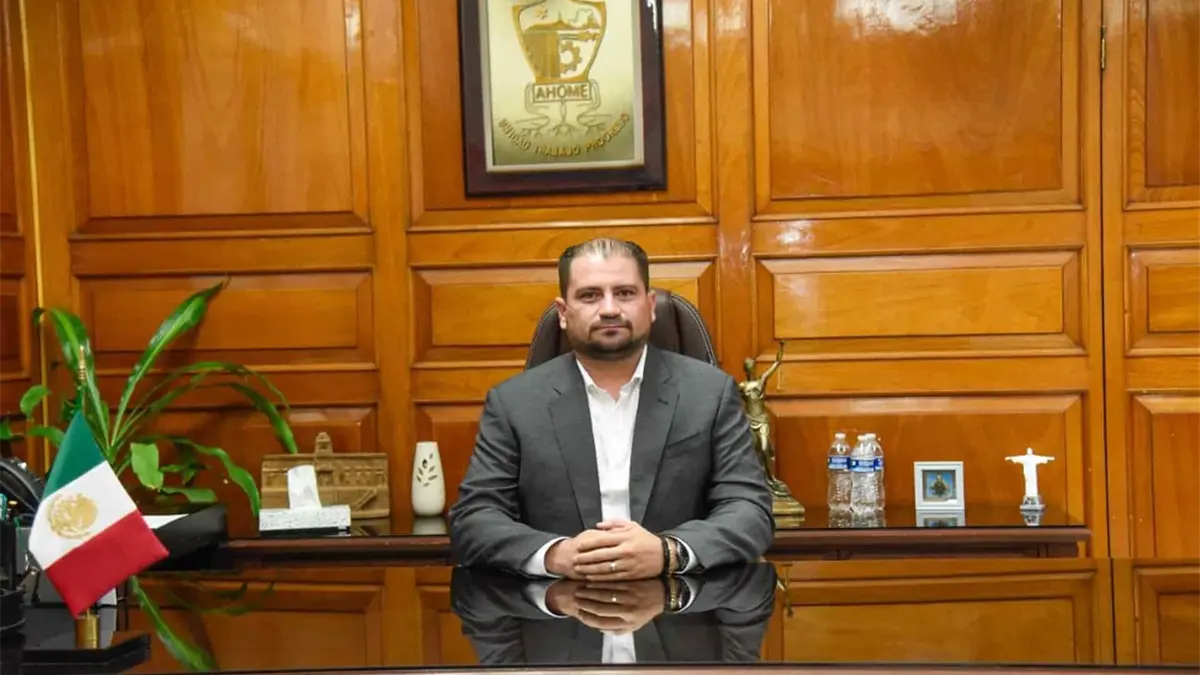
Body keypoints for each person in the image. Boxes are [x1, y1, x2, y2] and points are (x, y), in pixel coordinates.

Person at [448, 237, 774, 581]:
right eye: (590, 295)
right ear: (563, 313)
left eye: (625, 293)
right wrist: (556, 554)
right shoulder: (514, 403)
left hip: (681, 601)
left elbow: (749, 510)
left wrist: (669, 552)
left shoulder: (710, 393)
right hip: (556, 603)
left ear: (650, 306)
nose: (609, 309)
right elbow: (474, 518)